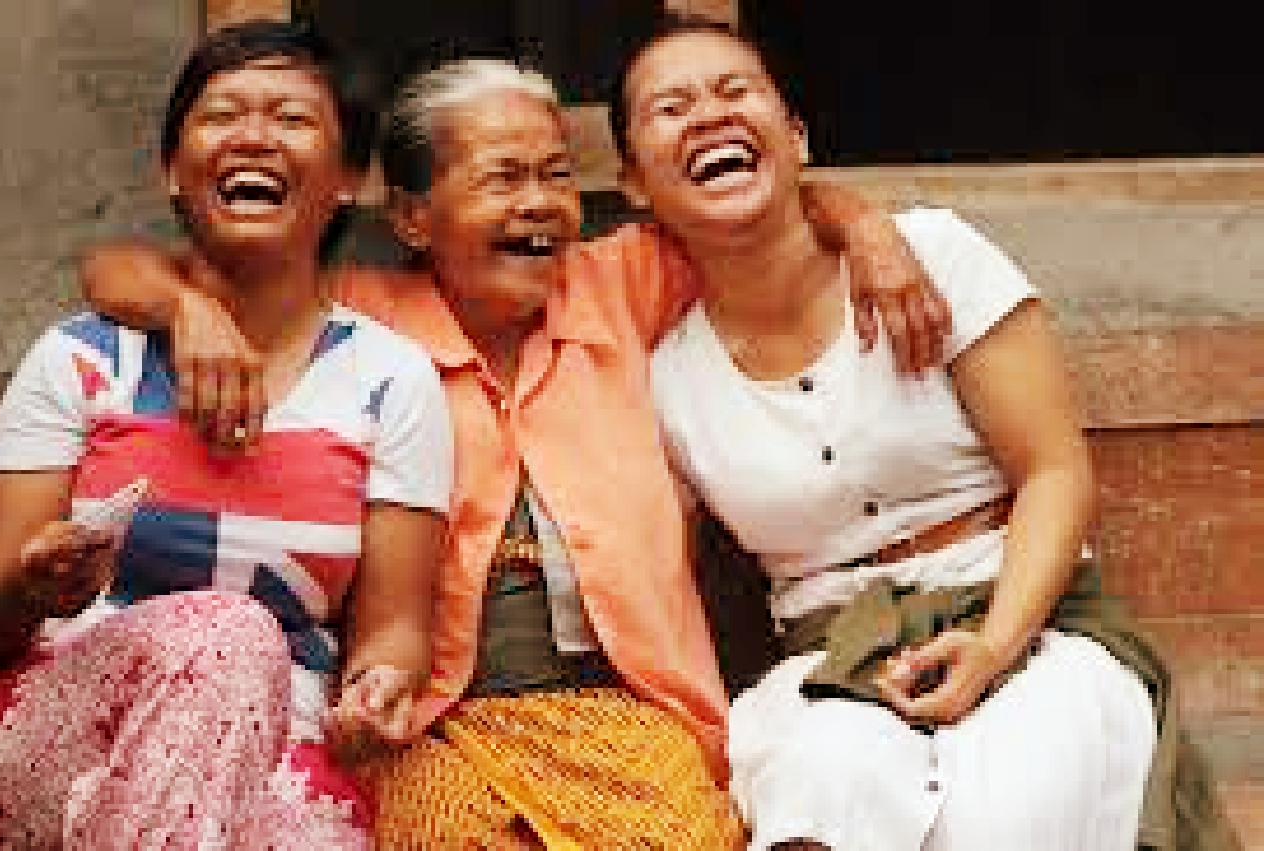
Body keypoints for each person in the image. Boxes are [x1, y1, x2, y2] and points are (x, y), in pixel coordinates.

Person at [79, 51, 947, 849]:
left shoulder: (617, 285)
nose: (538, 203)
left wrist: (867, 227)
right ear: (415, 216)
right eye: (503, 178)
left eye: (556, 175)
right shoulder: (358, 318)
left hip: (629, 713)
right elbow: (114, 269)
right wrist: (189, 314)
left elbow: (767, 214)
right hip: (434, 722)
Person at [612, 13, 1240, 851]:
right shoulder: (669, 378)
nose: (708, 116)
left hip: (1027, 618)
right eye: (670, 107)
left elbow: (1055, 473)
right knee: (816, 793)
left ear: (795, 137)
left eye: (735, 91)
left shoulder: (933, 255)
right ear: (633, 185)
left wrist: (993, 644)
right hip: (831, 657)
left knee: (1002, 809)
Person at [0, 21, 453, 848]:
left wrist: (381, 687)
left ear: (347, 179)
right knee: (229, 630)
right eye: (223, 113)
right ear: (173, 168)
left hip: (283, 745)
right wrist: (33, 588)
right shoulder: (83, 359)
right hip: (52, 729)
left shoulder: (392, 380)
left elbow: (394, 625)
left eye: (292, 118)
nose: (253, 134)